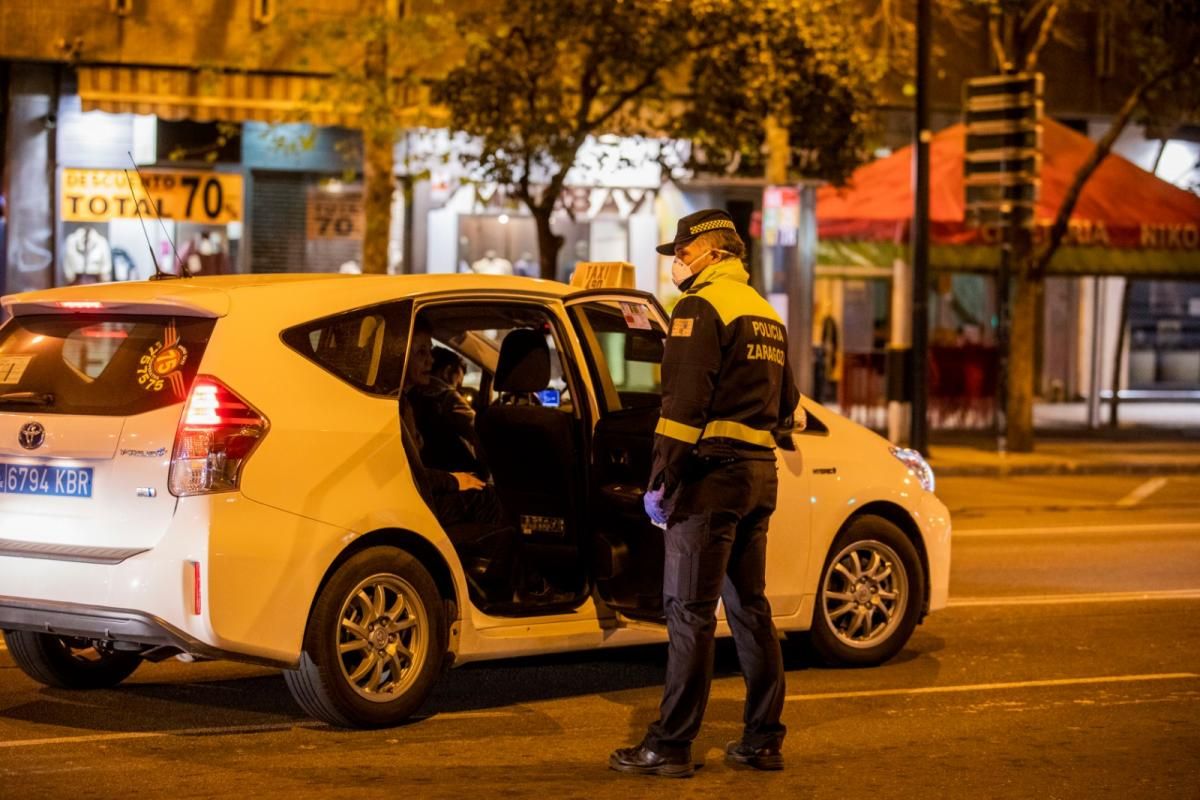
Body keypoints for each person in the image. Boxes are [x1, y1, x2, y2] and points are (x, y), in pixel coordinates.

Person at [609, 209, 801, 778]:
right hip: (757, 474)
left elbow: (682, 407)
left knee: (689, 612)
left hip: (709, 479)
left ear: (713, 254)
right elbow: (787, 406)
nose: (676, 264)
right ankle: (763, 739)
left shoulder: (700, 307)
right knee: (751, 610)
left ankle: (669, 744)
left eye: (682, 254)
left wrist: (661, 480)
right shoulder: (765, 314)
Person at [410, 346, 487, 476]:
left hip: (429, 469)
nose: (458, 388)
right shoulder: (448, 397)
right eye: (458, 382)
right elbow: (478, 430)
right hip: (455, 473)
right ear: (447, 371)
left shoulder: (412, 393)